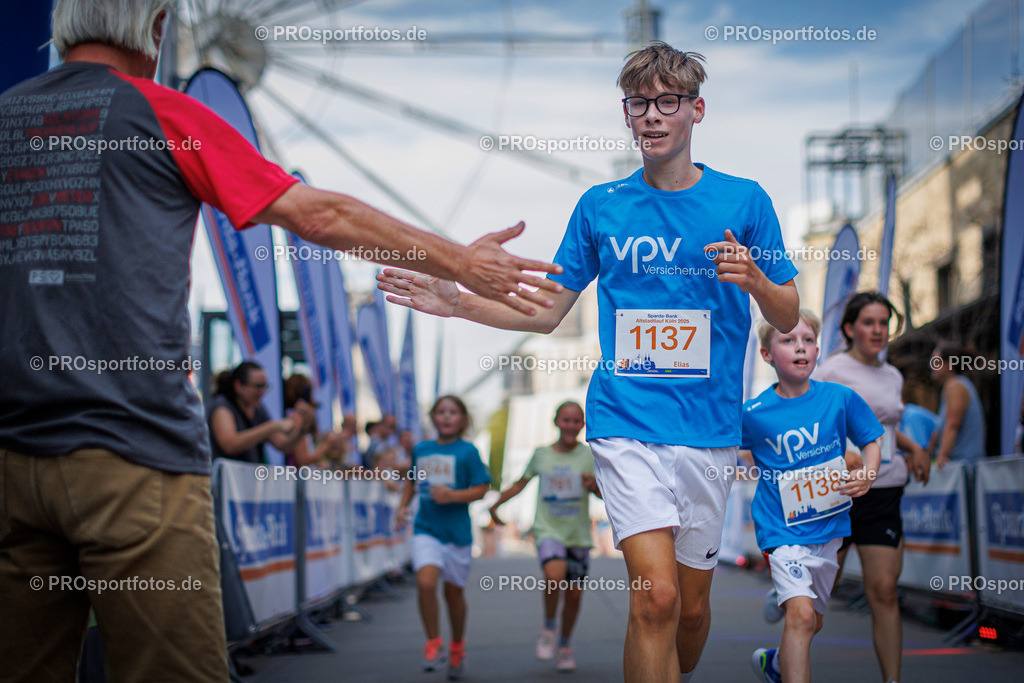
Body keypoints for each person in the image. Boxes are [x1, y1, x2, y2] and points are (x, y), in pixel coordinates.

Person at [0, 0, 562, 679]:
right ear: (155, 28)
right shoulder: (161, 113)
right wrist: (457, 260)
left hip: (11, 457)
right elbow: (315, 214)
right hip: (132, 452)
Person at [379, 42, 800, 682]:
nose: (653, 116)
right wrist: (458, 302)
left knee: (689, 613)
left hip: (710, 431)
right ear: (626, 114)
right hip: (626, 423)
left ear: (696, 109)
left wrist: (760, 285)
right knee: (652, 598)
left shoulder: (744, 201)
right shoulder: (601, 206)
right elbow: (545, 311)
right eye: (639, 104)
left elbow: (790, 314)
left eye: (668, 102)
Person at [743, 311, 882, 683]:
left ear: (818, 350)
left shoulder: (840, 398)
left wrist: (868, 473)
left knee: (812, 621)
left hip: (829, 529)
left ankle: (775, 664)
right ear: (767, 354)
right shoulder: (753, 414)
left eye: (807, 340)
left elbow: (871, 440)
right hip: (780, 530)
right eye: (788, 340)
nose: (800, 347)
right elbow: (719, 448)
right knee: (802, 617)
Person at [812, 292, 930, 683]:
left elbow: (884, 428)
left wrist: (915, 449)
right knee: (816, 598)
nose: (878, 330)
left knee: (883, 590)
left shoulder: (892, 375)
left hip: (885, 490)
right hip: (840, 493)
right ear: (849, 328)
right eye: (869, 322)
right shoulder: (831, 370)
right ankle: (783, 660)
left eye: (884, 323)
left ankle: (892, 681)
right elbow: (810, 420)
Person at [488, 401, 601, 672]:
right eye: (566, 420)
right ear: (556, 422)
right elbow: (520, 483)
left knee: (574, 596)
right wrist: (495, 505)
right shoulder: (541, 454)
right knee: (554, 576)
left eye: (576, 421)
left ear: (583, 425)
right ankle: (549, 627)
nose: (571, 426)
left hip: (578, 534)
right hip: (548, 530)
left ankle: (564, 645)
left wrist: (593, 485)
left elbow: (603, 492)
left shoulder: (589, 456)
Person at [396, 396, 491, 680]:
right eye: (441, 412)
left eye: (452, 412)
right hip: (426, 529)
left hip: (457, 534)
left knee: (453, 595)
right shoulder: (421, 449)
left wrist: (453, 496)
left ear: (462, 418)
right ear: (433, 418)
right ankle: (433, 643)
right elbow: (412, 481)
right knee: (425, 582)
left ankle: (457, 648)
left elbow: (483, 488)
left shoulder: (468, 451)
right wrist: (402, 507)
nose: (446, 417)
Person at [207, 362, 306, 463]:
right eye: (258, 386)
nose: (262, 392)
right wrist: (272, 427)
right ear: (238, 386)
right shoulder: (222, 406)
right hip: (225, 477)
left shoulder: (257, 408)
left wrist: (303, 428)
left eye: (264, 386)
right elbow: (230, 444)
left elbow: (282, 445)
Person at [928, 345, 987, 467]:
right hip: (962, 466)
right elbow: (941, 429)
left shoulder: (955, 385)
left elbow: (953, 425)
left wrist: (942, 456)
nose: (931, 366)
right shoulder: (954, 385)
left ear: (949, 364)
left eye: (936, 361)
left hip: (964, 467)